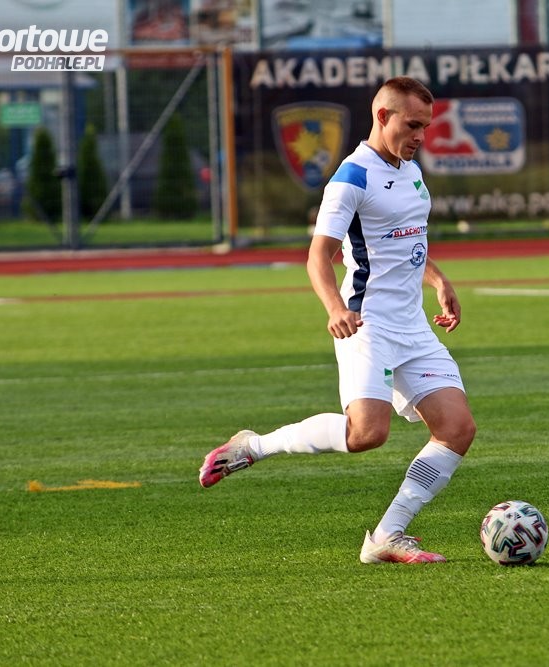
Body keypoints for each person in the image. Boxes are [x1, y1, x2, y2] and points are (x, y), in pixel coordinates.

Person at [199, 77, 477, 565]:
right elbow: (318, 256)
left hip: (413, 326)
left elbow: (405, 240)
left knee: (457, 428)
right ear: (382, 116)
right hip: (366, 323)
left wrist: (437, 279)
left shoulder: (411, 170)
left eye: (426, 127)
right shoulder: (351, 178)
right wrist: (335, 309)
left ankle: (387, 536)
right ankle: (255, 446)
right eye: (413, 125)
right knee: (367, 434)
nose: (421, 136)